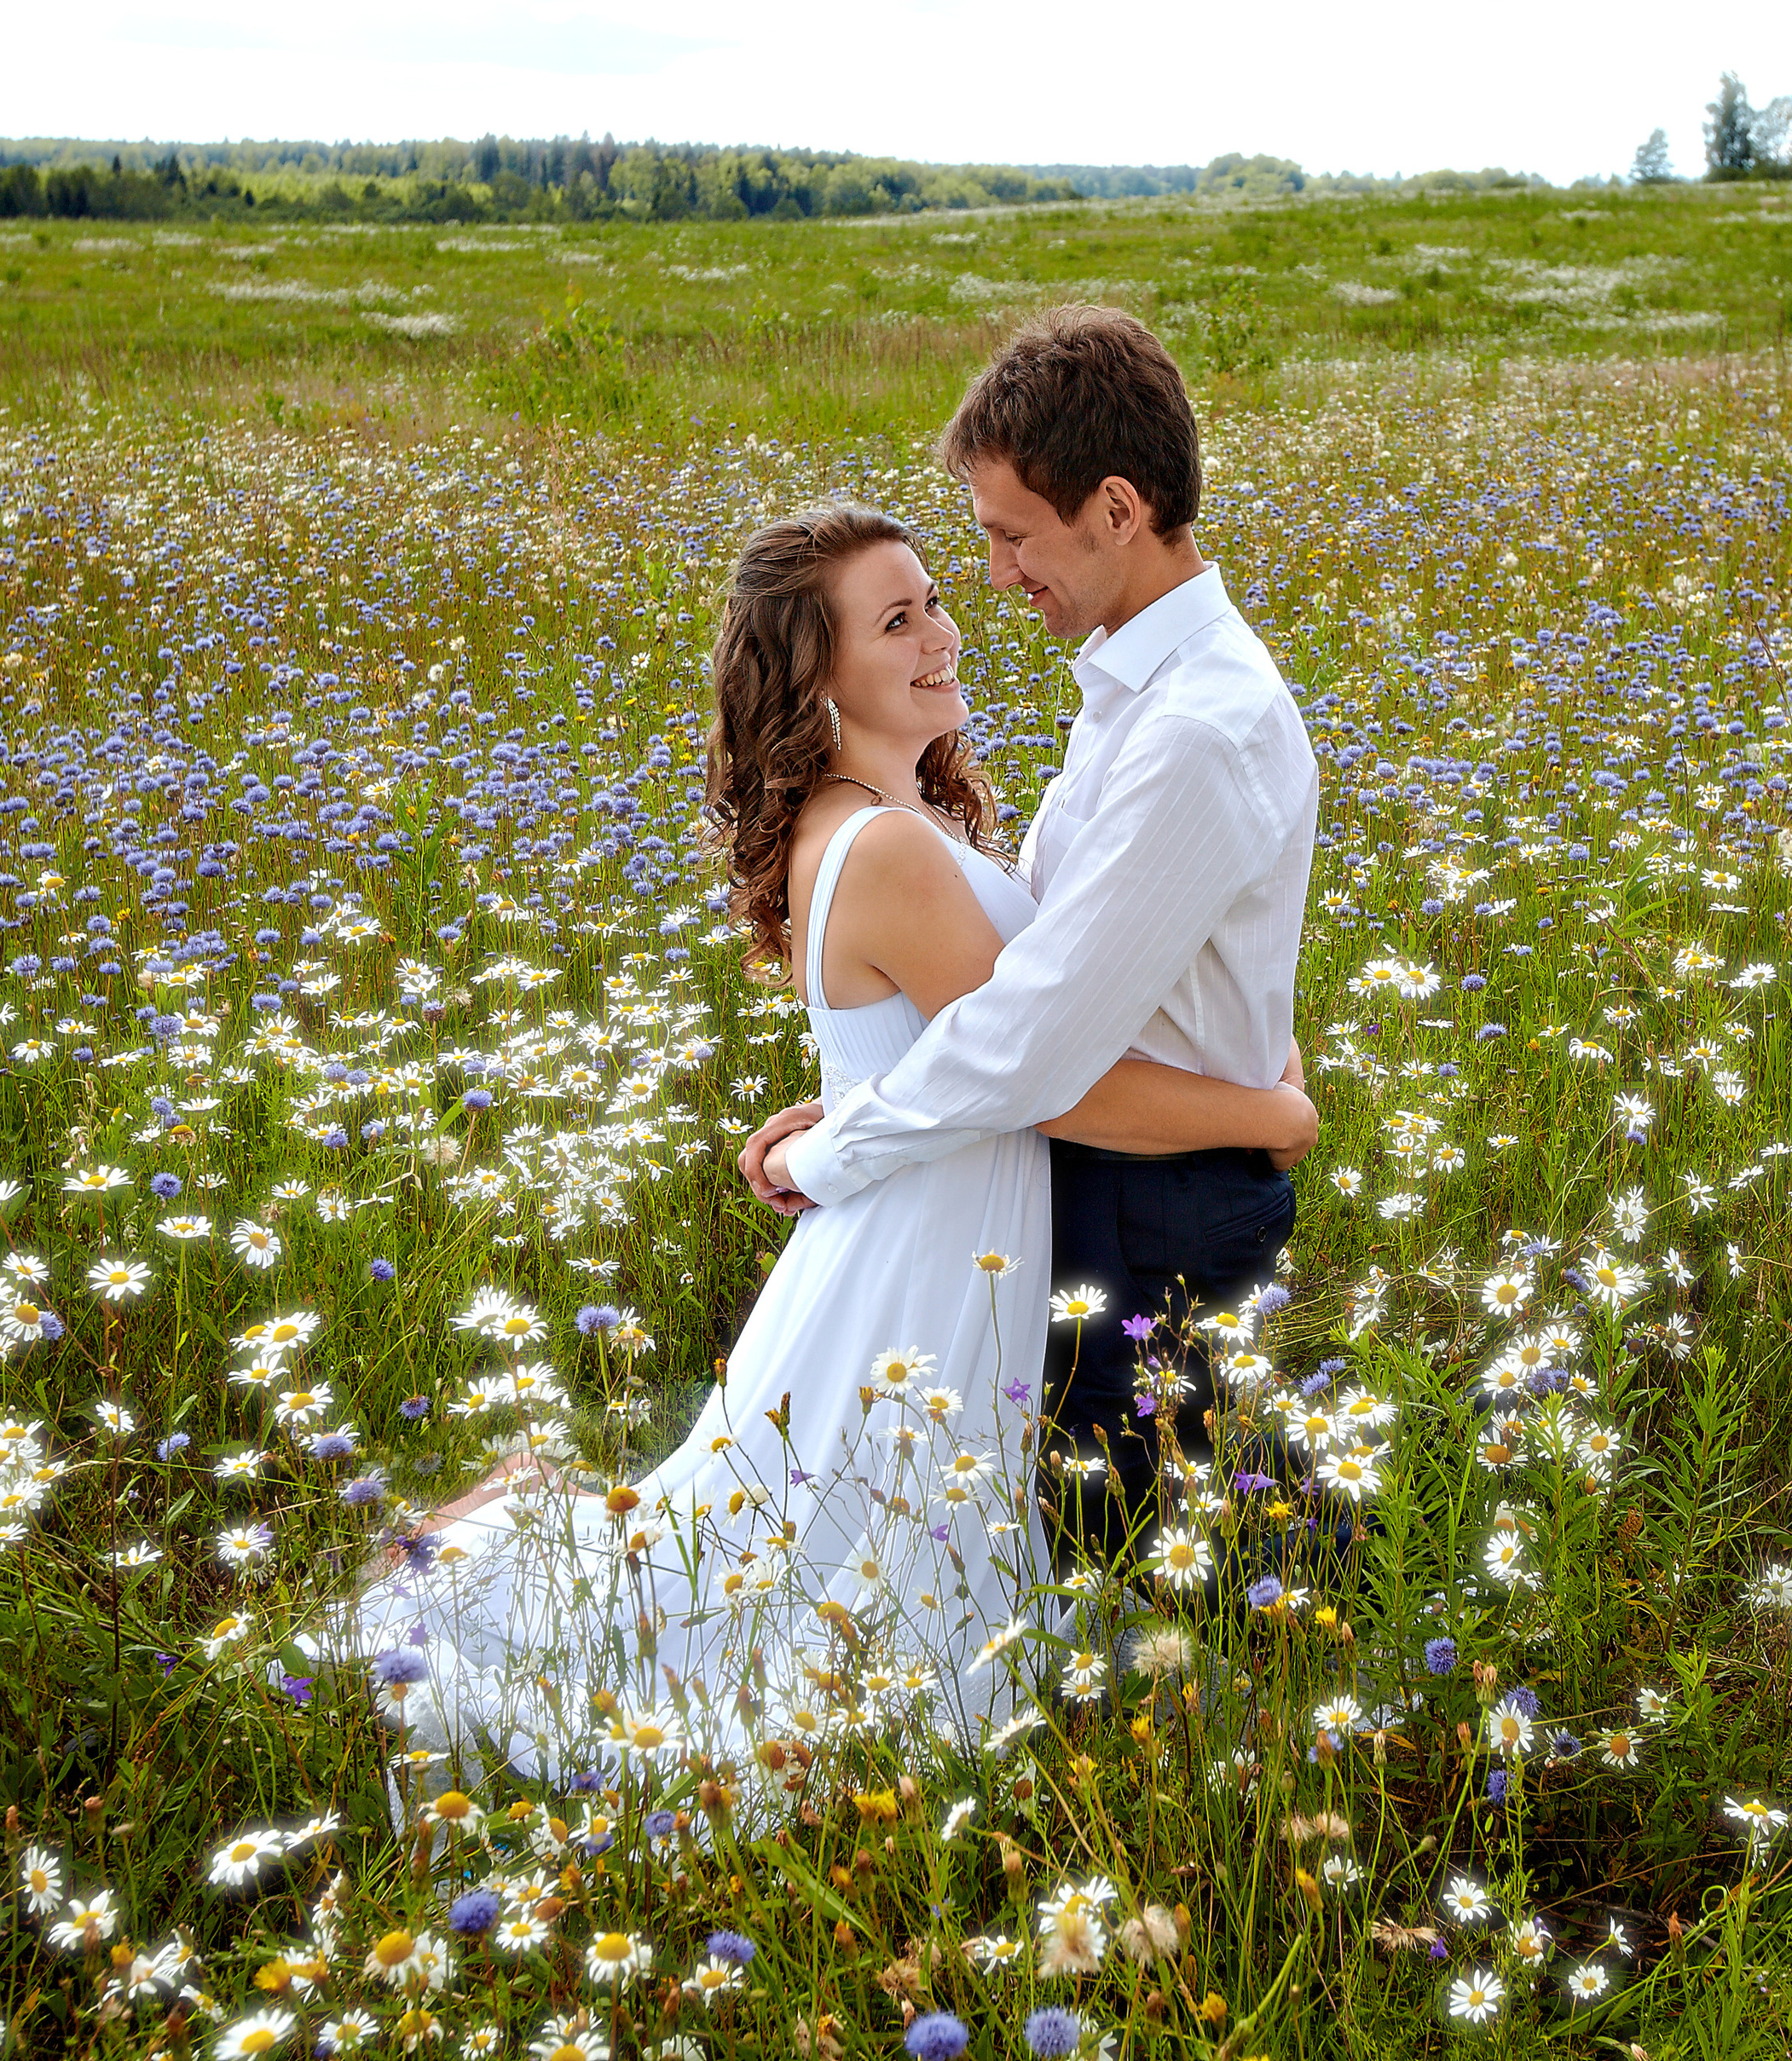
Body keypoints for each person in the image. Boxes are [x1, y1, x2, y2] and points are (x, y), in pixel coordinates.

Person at [341, 500, 1313, 1775]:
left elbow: (974, 1044)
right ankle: (491, 1576)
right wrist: (1273, 1109)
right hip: (927, 1241)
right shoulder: (894, 849)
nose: (942, 636)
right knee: (822, 1566)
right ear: (816, 678)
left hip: (932, 1205)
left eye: (934, 602)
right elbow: (1044, 1079)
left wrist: (855, 1106)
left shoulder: (895, 824)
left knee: (846, 1529)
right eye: (896, 622)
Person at [743, 306, 1317, 1567]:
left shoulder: (1191, 730)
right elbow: (1048, 977)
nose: (997, 576)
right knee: (1116, 1546)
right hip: (1109, 1176)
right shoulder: (1133, 690)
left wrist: (847, 1143)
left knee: (1164, 1573)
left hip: (1156, 1200)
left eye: (1008, 535)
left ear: (1116, 508)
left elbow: (1035, 1043)